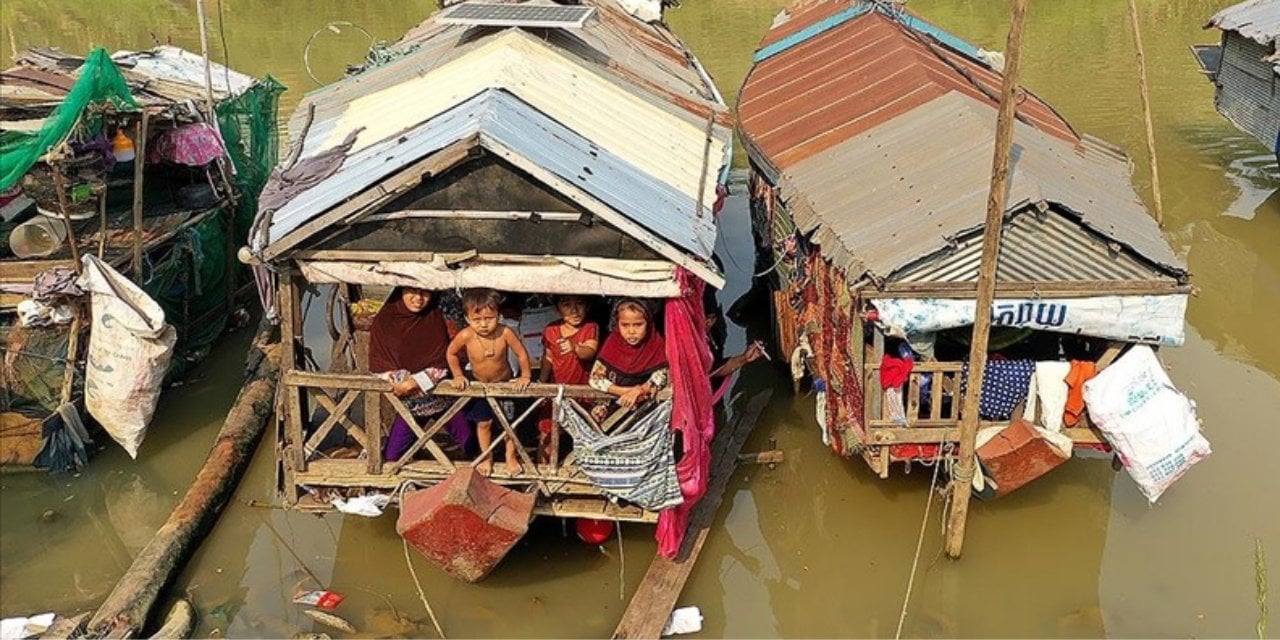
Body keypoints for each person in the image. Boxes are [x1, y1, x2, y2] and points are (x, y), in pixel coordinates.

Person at [368, 287, 470, 461]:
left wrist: (417, 382)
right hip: (409, 403)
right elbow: (380, 363)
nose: (419, 299)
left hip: (444, 397)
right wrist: (401, 382)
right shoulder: (386, 319)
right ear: (401, 291)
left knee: (471, 444)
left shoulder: (438, 316)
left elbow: (451, 355)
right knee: (393, 456)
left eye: (425, 293)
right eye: (411, 292)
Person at [446, 288, 532, 475]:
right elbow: (451, 353)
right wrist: (458, 375)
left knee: (509, 424)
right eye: (477, 320)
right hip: (480, 385)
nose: (484, 324)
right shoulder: (466, 335)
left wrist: (525, 376)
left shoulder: (505, 332)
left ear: (498, 315)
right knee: (484, 423)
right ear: (468, 319)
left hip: (504, 384)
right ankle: (486, 457)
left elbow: (522, 354)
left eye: (489, 318)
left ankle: (511, 457)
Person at [537, 295, 600, 460]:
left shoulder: (590, 327)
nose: (574, 310)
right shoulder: (551, 330)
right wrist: (542, 383)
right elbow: (548, 357)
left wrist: (576, 348)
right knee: (548, 432)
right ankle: (543, 474)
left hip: (581, 392)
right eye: (566, 305)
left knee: (584, 434)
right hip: (556, 391)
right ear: (557, 309)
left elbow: (590, 351)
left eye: (579, 303)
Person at [589, 299, 668, 418]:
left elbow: (661, 376)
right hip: (610, 407)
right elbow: (595, 379)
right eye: (625, 325)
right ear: (617, 323)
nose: (631, 331)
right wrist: (626, 392)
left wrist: (640, 390)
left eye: (638, 325)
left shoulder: (656, 345)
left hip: (643, 412)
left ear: (649, 323)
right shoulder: (612, 343)